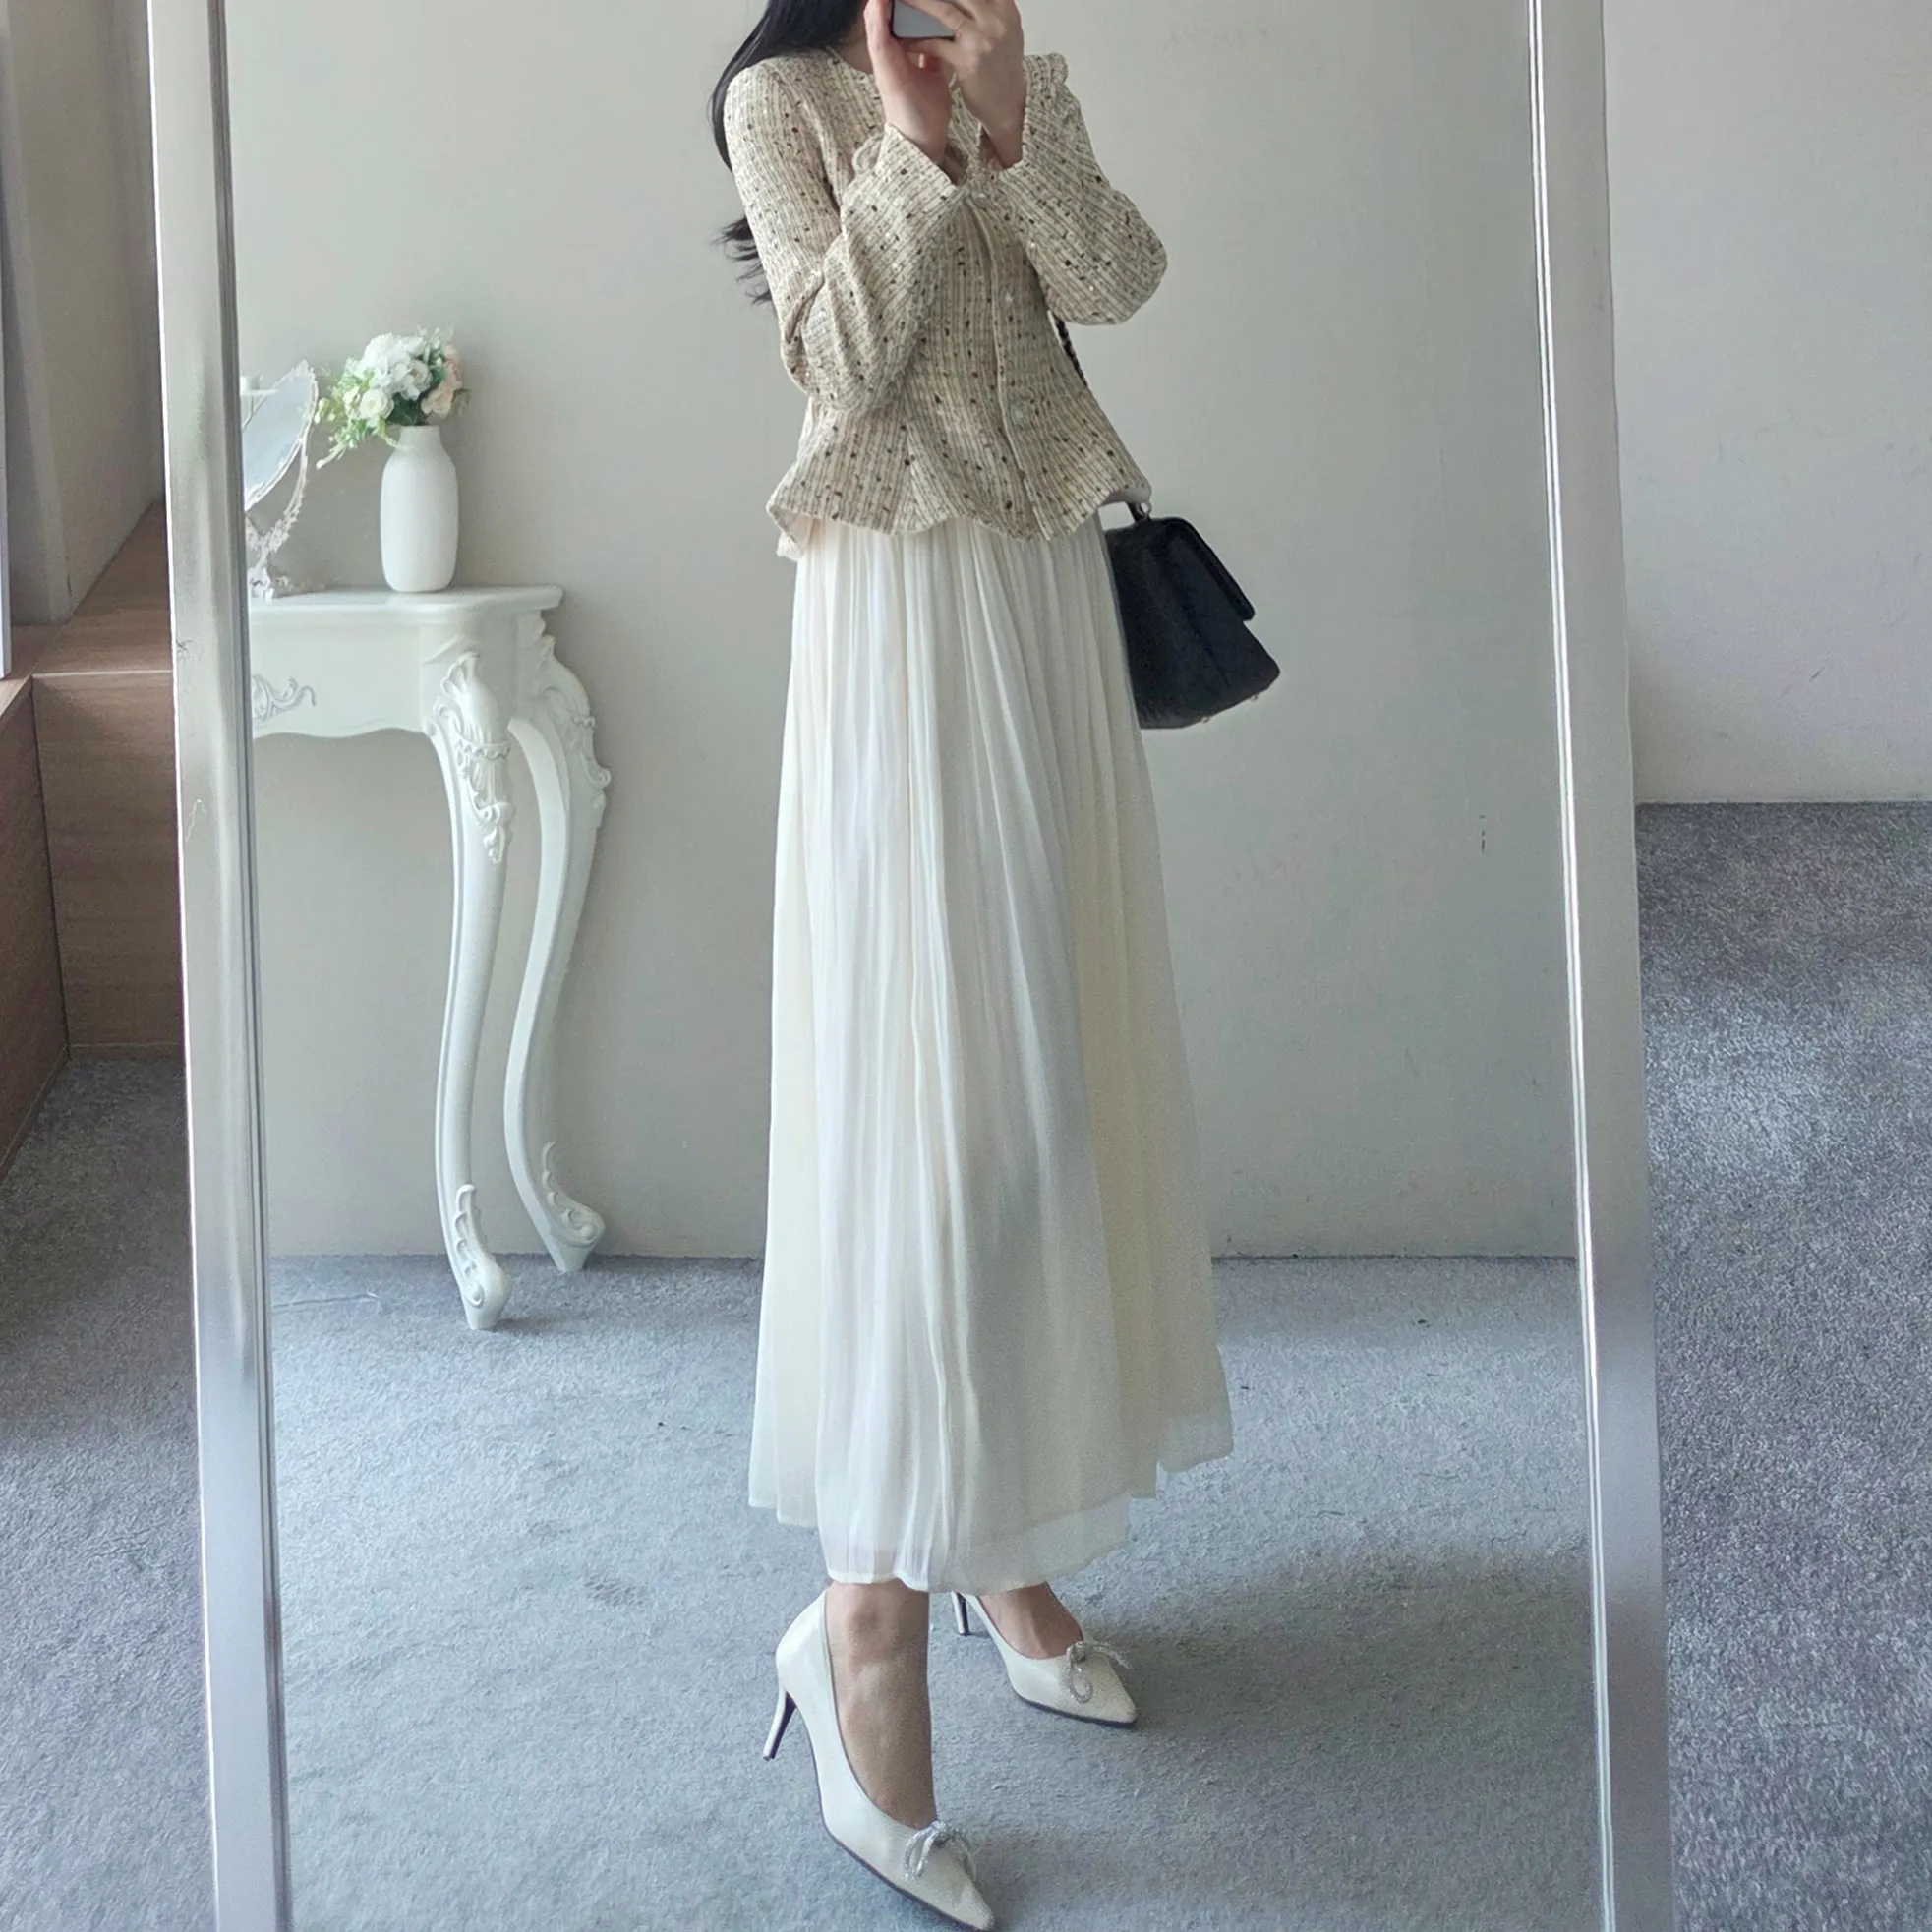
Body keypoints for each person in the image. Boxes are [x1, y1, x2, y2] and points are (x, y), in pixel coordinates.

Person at [713, 1, 1233, 1919]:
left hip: (1041, 606)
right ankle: (861, 1615)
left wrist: (1014, 120)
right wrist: (920, 149)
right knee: (921, 1109)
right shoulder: (780, 98)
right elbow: (836, 359)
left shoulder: (1028, 69)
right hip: (899, 616)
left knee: (1039, 1091)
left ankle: (996, 1542)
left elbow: (1118, 278)